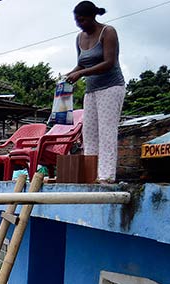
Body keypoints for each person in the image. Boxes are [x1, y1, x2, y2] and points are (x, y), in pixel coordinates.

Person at [66, 1, 125, 183]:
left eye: (82, 20)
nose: (79, 24)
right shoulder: (79, 38)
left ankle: (106, 177)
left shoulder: (108, 32)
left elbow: (109, 62)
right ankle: (91, 175)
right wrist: (69, 75)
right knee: (89, 133)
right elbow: (81, 64)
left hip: (111, 87)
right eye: (77, 20)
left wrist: (81, 74)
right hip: (91, 90)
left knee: (106, 132)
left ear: (92, 17)